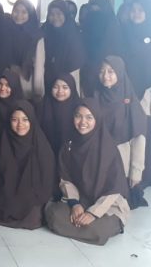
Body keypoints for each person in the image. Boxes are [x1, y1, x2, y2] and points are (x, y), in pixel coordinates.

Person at [44, 99, 130, 246]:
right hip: (81, 199)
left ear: (97, 119)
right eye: (78, 116)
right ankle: (84, 229)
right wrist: (75, 204)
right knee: (54, 215)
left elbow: (114, 188)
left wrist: (92, 213)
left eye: (89, 117)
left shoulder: (108, 148)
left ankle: (93, 229)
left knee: (99, 230)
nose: (82, 122)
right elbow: (66, 178)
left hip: (106, 205)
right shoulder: (69, 145)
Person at [0, 100, 55, 229]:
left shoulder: (41, 146)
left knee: (32, 220)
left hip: (30, 198)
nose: (20, 124)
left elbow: (46, 182)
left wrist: (32, 199)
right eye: (14, 120)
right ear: (9, 121)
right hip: (4, 196)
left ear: (32, 120)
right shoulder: (2, 142)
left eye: (25, 120)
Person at [93, 56, 147, 203]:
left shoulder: (130, 102)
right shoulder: (95, 96)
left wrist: (136, 173)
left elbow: (138, 138)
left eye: (111, 71)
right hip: (98, 159)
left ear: (120, 72)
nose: (105, 76)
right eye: (102, 71)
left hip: (121, 162)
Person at [80, 0, 123, 96]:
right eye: (92, 7)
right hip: (88, 68)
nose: (95, 10)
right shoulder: (87, 23)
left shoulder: (113, 25)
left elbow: (114, 48)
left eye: (98, 7)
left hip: (107, 68)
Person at [42, 0, 85, 92]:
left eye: (59, 14)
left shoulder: (74, 34)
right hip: (47, 79)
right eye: (51, 14)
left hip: (68, 79)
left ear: (65, 14)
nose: (55, 17)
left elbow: (77, 60)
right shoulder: (45, 31)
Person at [9, 0, 45, 100]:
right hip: (7, 81)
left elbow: (39, 66)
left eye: (24, 12)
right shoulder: (7, 31)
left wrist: (38, 91)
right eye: (16, 11)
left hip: (26, 82)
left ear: (30, 14)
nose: (19, 15)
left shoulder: (36, 36)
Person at [39, 72, 81, 156]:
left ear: (72, 88)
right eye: (55, 87)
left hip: (72, 154)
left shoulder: (79, 109)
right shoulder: (42, 107)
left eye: (65, 87)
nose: (60, 91)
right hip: (46, 153)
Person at [0, 69, 23, 151]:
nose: (2, 88)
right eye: (0, 84)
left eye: (8, 85)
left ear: (14, 86)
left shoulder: (21, 108)